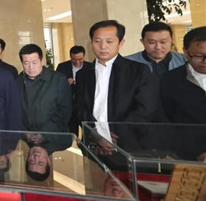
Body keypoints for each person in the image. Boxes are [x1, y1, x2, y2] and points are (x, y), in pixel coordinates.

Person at [73, 20, 158, 145]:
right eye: (97, 41)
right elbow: (79, 107)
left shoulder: (138, 71)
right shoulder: (83, 74)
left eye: (109, 41)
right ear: (91, 42)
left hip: (129, 143)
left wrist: (114, 135)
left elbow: (145, 108)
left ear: (121, 43)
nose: (103, 46)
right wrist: (96, 134)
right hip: (93, 143)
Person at [160, 27, 206, 161]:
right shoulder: (170, 80)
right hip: (190, 156)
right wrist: (197, 152)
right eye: (199, 56)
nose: (205, 61)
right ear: (185, 52)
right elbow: (167, 122)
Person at [15, 44, 72, 133]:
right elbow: (14, 111)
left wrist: (42, 134)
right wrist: (25, 133)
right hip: (26, 136)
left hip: (53, 136)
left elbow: (64, 112)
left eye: (34, 62)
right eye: (26, 63)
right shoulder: (17, 82)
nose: (31, 67)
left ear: (42, 61)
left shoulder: (58, 80)